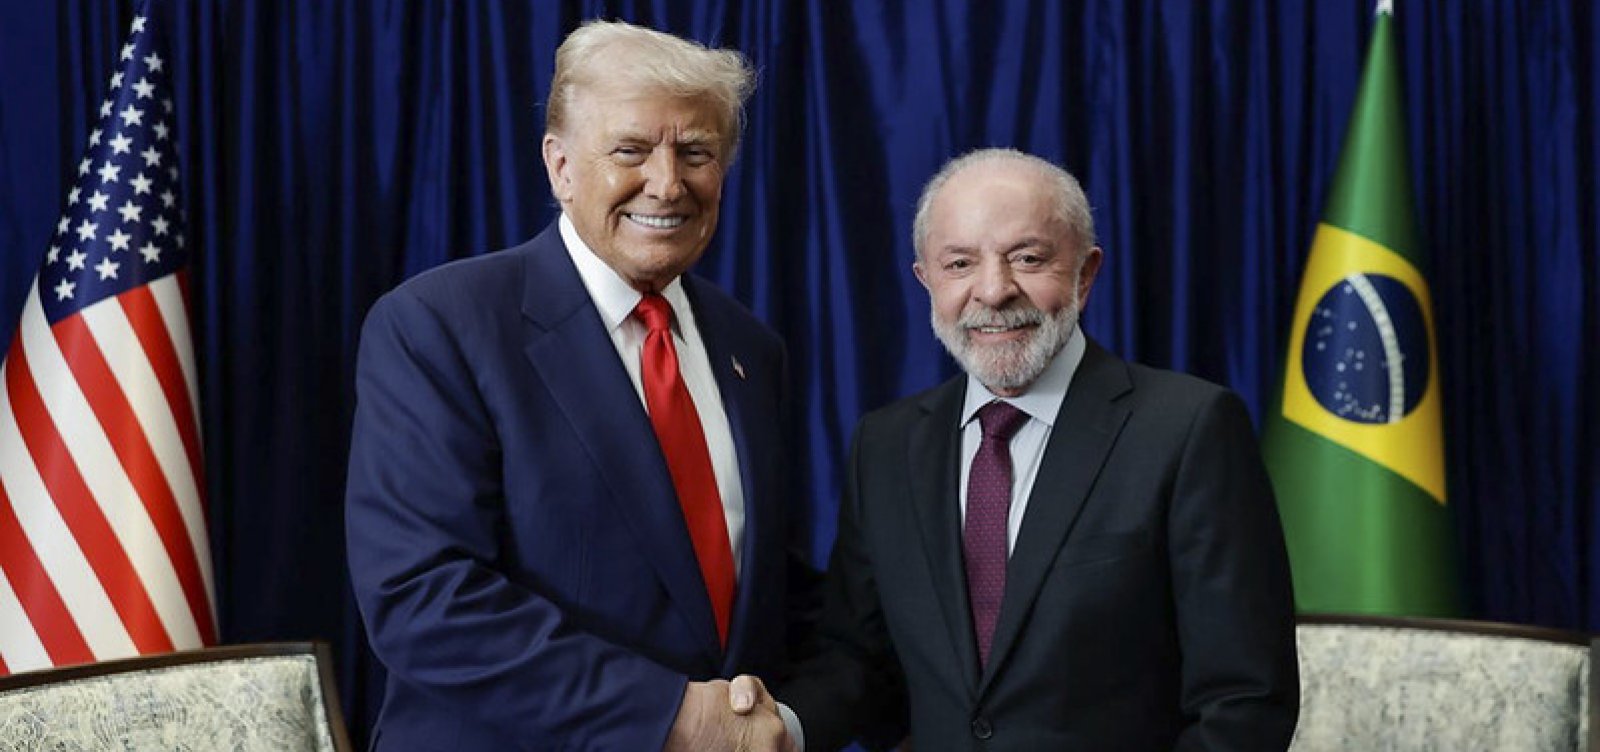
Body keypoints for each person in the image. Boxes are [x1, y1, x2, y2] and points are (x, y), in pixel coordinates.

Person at [735, 148, 1299, 750]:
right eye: (959, 263)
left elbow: (1245, 702)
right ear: (926, 281)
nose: (993, 290)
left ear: (1085, 273)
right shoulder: (886, 446)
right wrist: (781, 728)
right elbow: (860, 662)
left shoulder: (1189, 430)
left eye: (1028, 258)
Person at [346, 20, 806, 751]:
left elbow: (761, 592)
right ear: (559, 166)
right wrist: (673, 717)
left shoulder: (750, 349)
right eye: (630, 150)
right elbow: (423, 596)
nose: (667, 183)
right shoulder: (439, 326)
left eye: (696, 153)